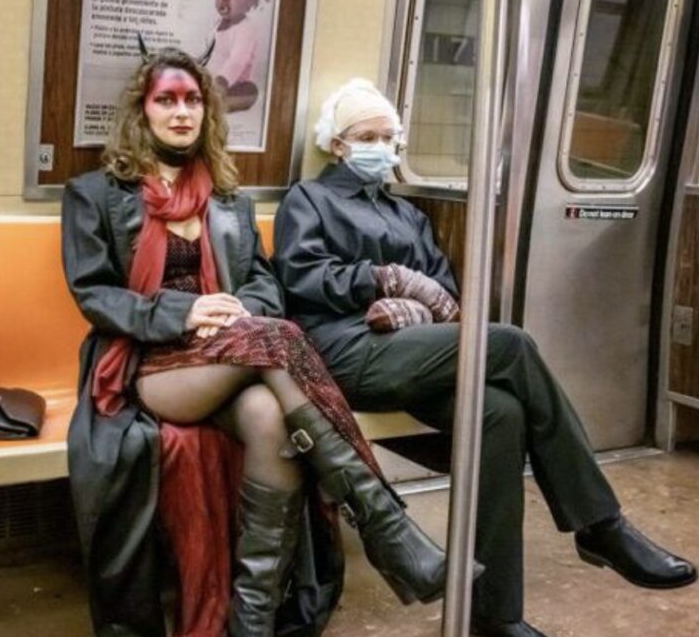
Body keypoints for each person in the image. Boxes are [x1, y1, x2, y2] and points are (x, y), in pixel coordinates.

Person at [272, 78, 699, 637]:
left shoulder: (408, 215)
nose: (381, 147)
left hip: (411, 350)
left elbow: (443, 293)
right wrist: (381, 279)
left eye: (388, 138)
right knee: (510, 343)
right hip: (344, 350)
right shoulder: (310, 200)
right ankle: (600, 524)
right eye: (367, 137)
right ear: (338, 145)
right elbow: (302, 277)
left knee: (502, 413)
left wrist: (414, 306)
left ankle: (494, 614)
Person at [63, 53, 459, 636]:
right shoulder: (95, 194)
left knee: (271, 420)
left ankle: (250, 623)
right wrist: (185, 311)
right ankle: (385, 524)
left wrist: (236, 314)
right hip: (147, 361)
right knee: (281, 338)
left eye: (193, 100)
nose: (181, 112)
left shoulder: (228, 198)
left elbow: (263, 284)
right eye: (166, 100)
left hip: (236, 353)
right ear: (141, 112)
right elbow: (94, 294)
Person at [209, 0, 272, 112]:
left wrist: (222, 81)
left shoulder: (246, 29)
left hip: (233, 85)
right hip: (211, 83)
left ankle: (218, 104)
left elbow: (237, 61)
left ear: (252, 0)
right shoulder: (216, 26)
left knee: (251, 91)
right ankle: (207, 100)